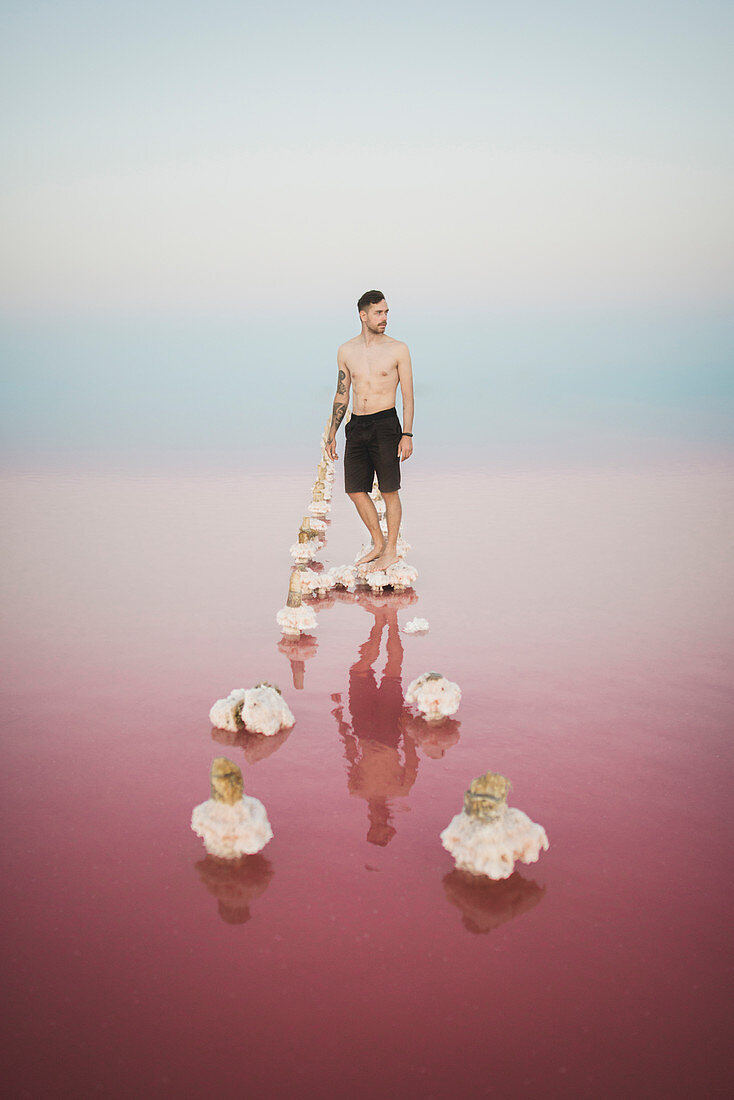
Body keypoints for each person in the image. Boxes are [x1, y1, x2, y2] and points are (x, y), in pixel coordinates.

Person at [325, 290, 414, 572]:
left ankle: (391, 550)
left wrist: (407, 434)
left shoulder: (398, 349)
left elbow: (408, 396)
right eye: (378, 313)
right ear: (363, 315)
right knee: (354, 489)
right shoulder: (346, 350)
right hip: (356, 425)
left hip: (386, 424)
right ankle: (377, 542)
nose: (384, 318)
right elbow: (342, 394)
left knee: (390, 490)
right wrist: (332, 433)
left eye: (386, 312)